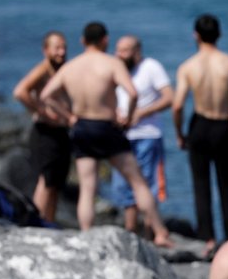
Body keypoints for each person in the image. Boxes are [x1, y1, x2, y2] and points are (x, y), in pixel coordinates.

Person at [39, 21, 172, 246]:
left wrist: (68, 116)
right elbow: (132, 92)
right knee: (138, 182)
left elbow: (45, 95)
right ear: (105, 41)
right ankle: (160, 232)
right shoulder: (111, 63)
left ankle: (86, 233)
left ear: (82, 41)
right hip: (107, 126)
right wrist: (128, 118)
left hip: (82, 126)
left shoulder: (71, 67)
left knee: (88, 187)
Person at [172, 14, 228, 257]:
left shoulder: (188, 66)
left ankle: (207, 239)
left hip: (199, 125)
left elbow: (178, 105)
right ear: (219, 34)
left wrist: (180, 133)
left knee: (200, 185)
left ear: (196, 35)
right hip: (223, 125)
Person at [110, 35, 173, 235]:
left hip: (148, 134)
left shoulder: (151, 67)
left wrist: (141, 113)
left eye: (125, 50)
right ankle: (131, 229)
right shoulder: (115, 68)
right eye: (118, 50)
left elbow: (169, 97)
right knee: (124, 184)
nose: (120, 55)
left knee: (148, 182)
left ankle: (150, 229)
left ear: (137, 51)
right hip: (122, 134)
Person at [12, 30, 71, 224]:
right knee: (46, 180)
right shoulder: (43, 70)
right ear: (46, 50)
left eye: (63, 48)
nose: (61, 52)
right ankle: (37, 221)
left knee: (55, 183)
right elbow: (20, 91)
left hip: (61, 132)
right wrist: (42, 111)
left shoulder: (62, 70)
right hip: (45, 131)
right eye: (56, 48)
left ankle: (49, 222)